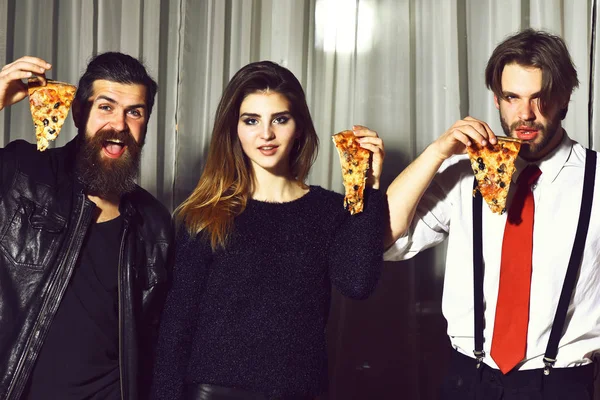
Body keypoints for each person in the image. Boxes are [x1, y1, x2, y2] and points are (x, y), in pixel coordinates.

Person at [151, 60, 385, 400]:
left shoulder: (328, 210)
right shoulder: (206, 213)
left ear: (299, 126)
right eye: (251, 120)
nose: (266, 134)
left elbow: (357, 283)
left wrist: (371, 186)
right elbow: (175, 330)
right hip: (213, 393)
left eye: (280, 119)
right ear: (234, 129)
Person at [386, 29, 600, 399]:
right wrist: (437, 152)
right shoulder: (463, 172)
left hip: (561, 383)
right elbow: (386, 242)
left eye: (541, 98)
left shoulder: (596, 182)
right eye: (512, 98)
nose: (526, 115)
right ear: (497, 100)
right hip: (467, 379)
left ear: (565, 97)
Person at [0, 53, 173, 400]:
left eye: (134, 112)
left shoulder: (154, 225)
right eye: (106, 107)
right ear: (79, 113)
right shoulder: (21, 173)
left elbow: (157, 344)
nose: (120, 125)